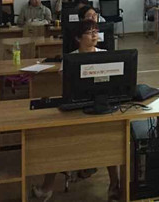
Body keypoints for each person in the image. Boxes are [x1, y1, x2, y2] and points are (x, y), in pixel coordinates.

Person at [33, 20, 120, 201]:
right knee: (58, 142)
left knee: (111, 140)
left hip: (100, 106)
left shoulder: (105, 55)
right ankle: (47, 188)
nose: (94, 35)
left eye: (96, 31)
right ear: (78, 38)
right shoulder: (70, 59)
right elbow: (68, 85)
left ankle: (115, 185)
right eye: (89, 32)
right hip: (75, 107)